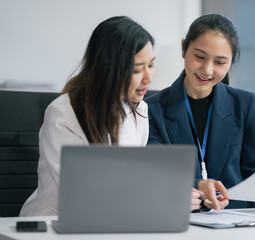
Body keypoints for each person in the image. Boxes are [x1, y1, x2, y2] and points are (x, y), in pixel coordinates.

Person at [19, 16, 202, 216]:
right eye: (137, 69)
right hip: (54, 222)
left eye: (151, 65)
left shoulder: (139, 109)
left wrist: (176, 193)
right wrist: (164, 198)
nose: (149, 78)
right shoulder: (63, 113)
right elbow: (85, 192)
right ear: (109, 69)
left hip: (112, 219)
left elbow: (132, 180)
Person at [145, 14, 255, 211]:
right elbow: (154, 175)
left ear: (231, 62)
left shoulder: (245, 104)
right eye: (199, 57)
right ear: (183, 48)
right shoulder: (151, 109)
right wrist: (195, 184)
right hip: (182, 221)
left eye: (220, 62)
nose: (207, 70)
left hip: (238, 220)